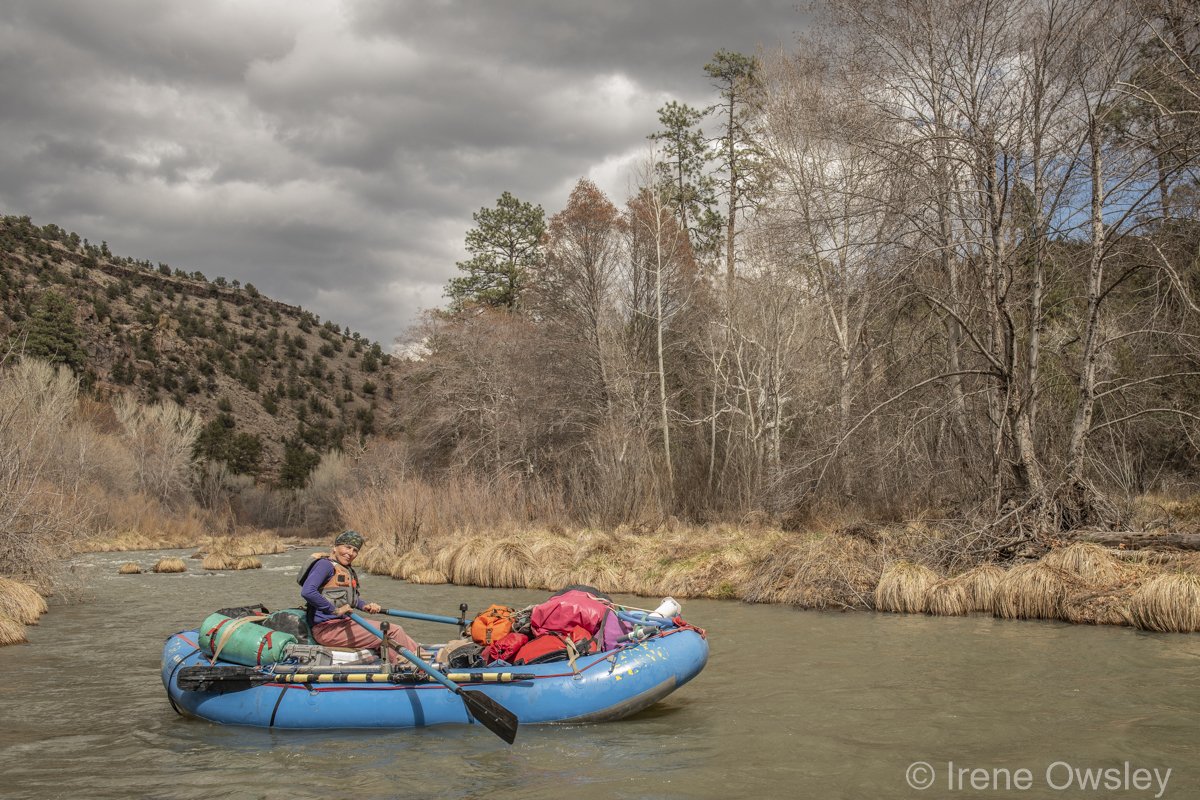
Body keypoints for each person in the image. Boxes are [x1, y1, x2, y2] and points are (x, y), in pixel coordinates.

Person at [298, 530, 419, 662]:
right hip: (326, 629)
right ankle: (408, 668)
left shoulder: (346, 569)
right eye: (347, 547)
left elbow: (350, 599)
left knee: (397, 631)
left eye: (355, 550)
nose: (351, 553)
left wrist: (365, 606)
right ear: (335, 547)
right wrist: (335, 610)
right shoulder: (324, 565)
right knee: (392, 631)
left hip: (342, 624)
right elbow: (308, 591)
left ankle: (424, 658)